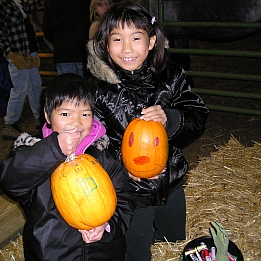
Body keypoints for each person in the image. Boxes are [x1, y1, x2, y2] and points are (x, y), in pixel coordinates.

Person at [86, 1, 209, 260]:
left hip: (171, 180)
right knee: (137, 250)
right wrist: (121, 169)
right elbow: (91, 141)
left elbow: (197, 115)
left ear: (151, 42)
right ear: (105, 45)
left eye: (136, 38)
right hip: (129, 194)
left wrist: (172, 120)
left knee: (173, 240)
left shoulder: (172, 76)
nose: (127, 48)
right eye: (117, 39)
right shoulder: (97, 91)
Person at [0, 73, 136, 260]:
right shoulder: (31, 153)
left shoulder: (103, 155)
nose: (76, 122)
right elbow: (11, 182)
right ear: (47, 115)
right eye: (65, 114)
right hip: (52, 254)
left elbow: (125, 198)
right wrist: (54, 150)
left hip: (104, 253)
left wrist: (108, 225)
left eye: (85, 114)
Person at [0, 0, 43, 140]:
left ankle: (40, 118)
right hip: (17, 52)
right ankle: (10, 123)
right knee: (20, 88)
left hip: (29, 50)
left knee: (35, 85)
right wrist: (10, 52)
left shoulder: (17, 2)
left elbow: (32, 4)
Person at [43, 0, 90, 76]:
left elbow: (47, 27)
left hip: (62, 47)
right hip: (82, 46)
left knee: (66, 83)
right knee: (85, 83)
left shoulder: (51, 2)